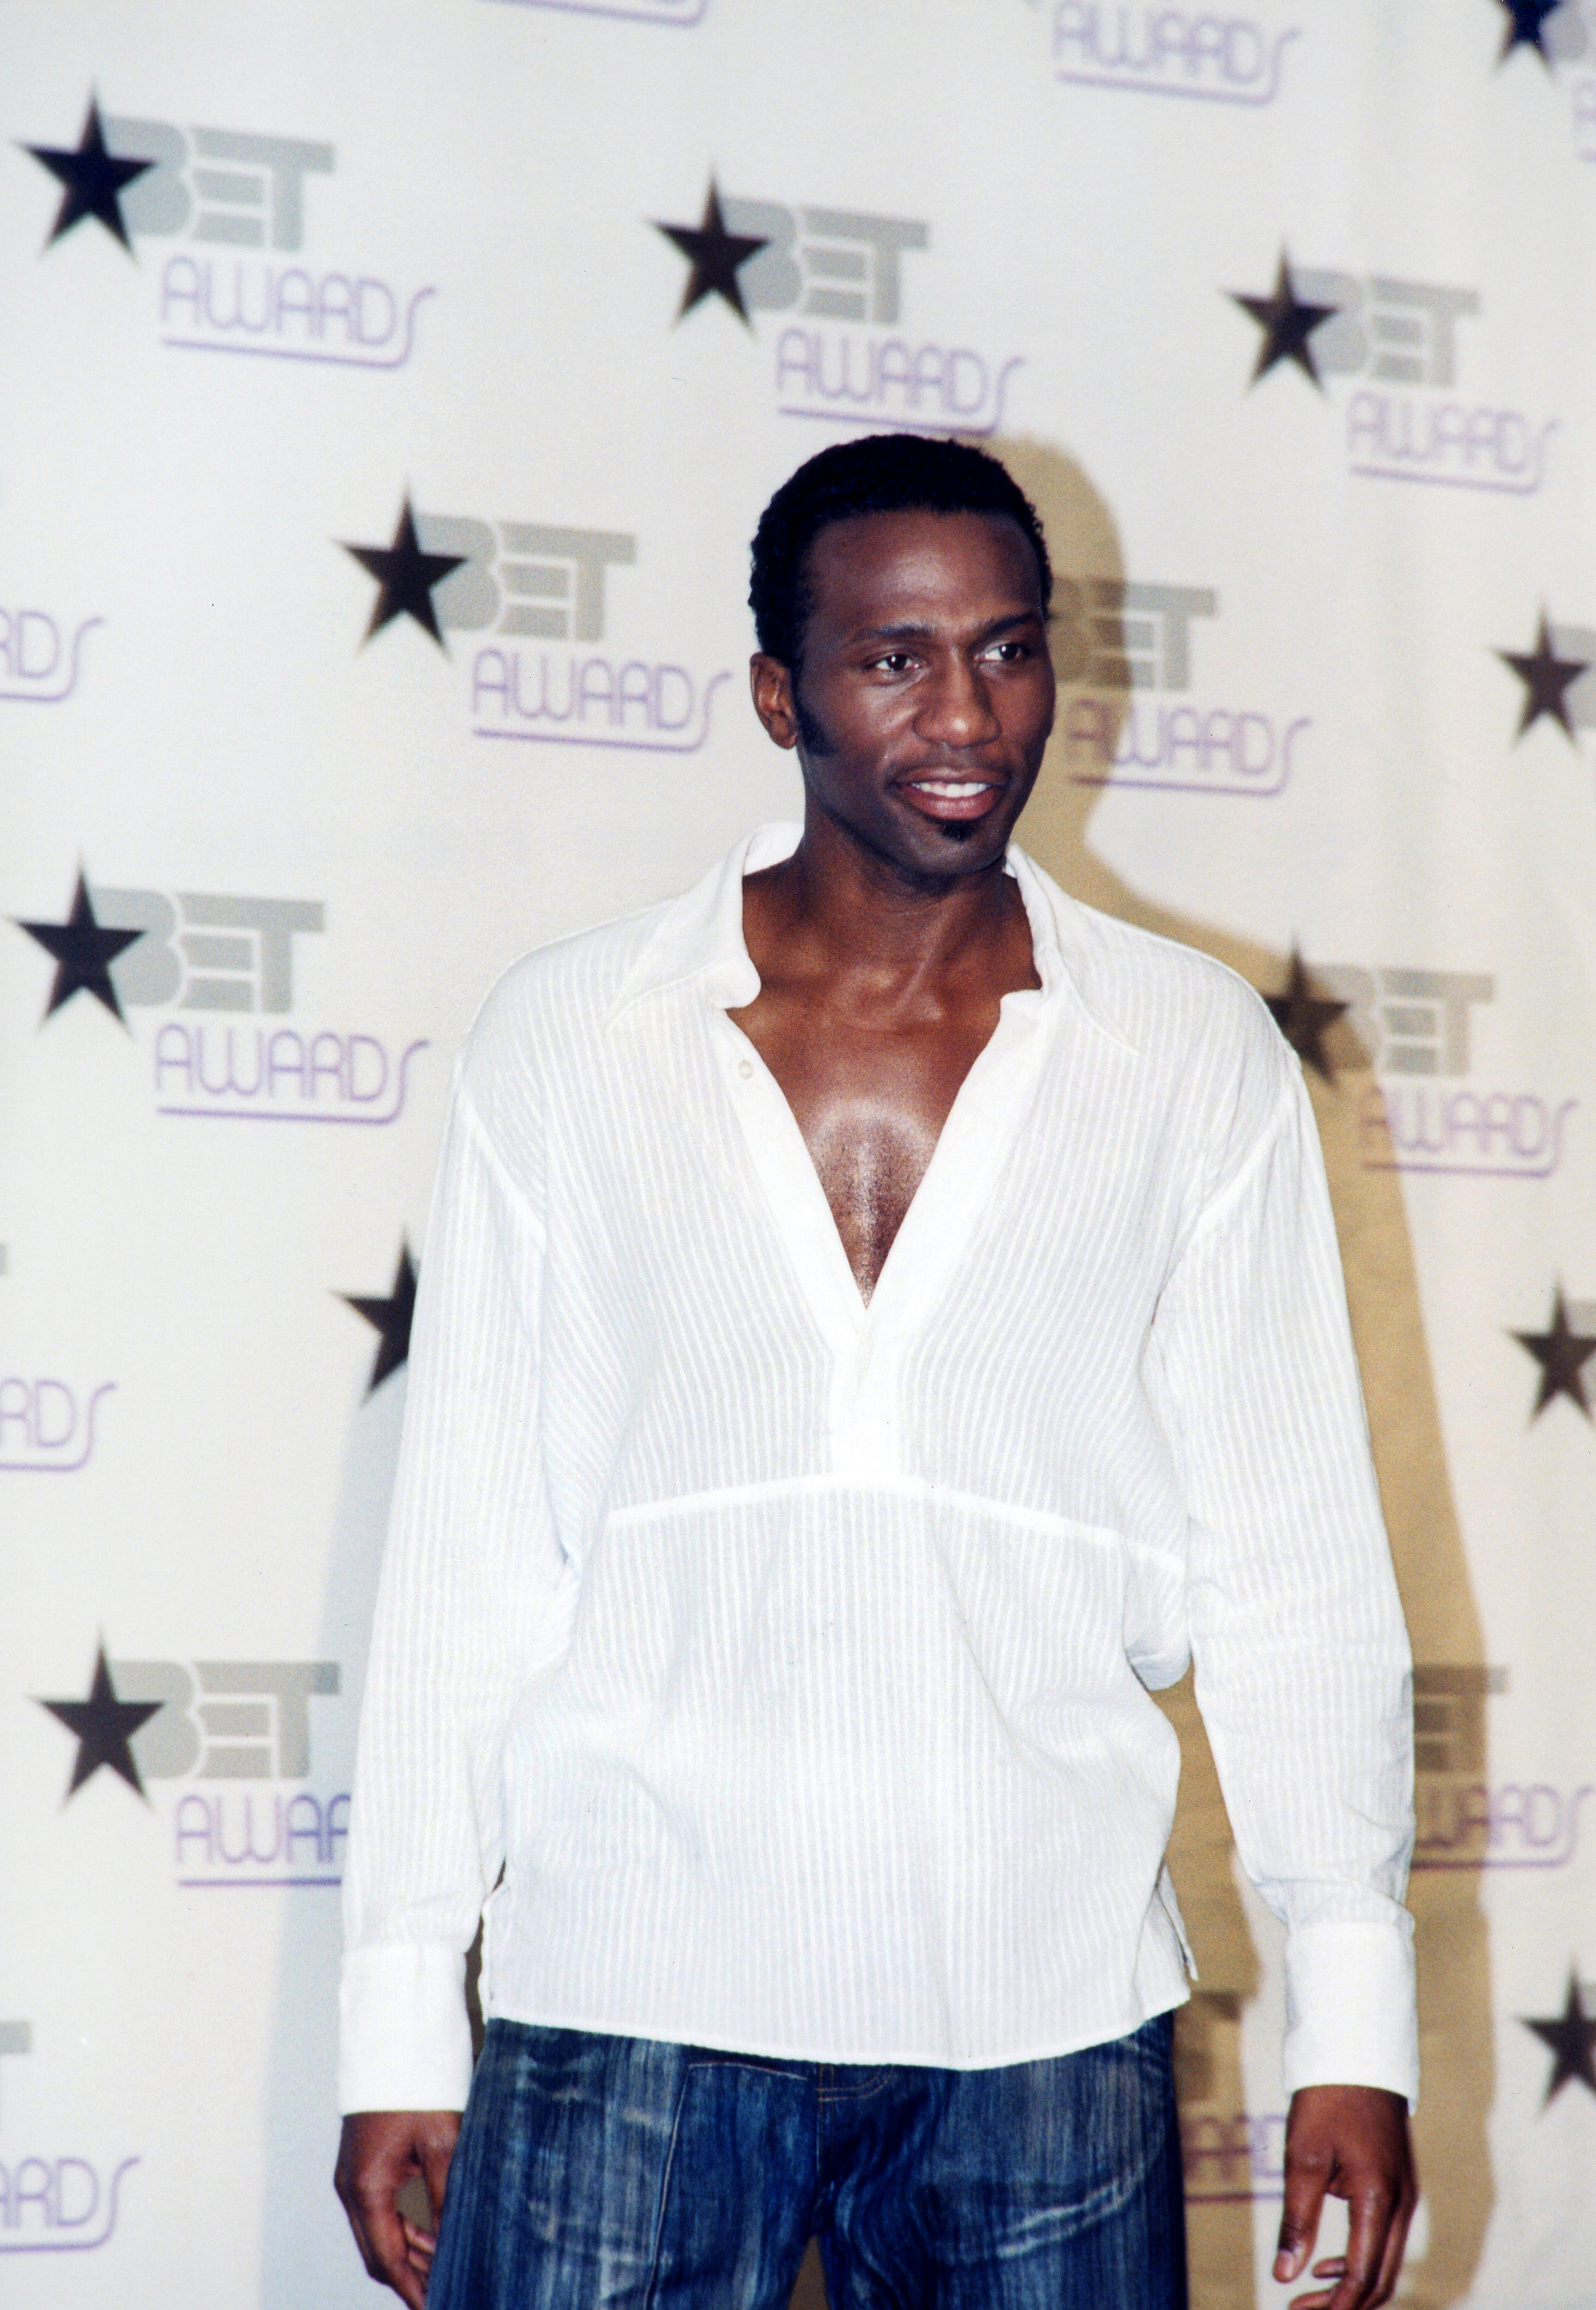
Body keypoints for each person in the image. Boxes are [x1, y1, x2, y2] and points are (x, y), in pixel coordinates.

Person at [335, 434, 1418, 2310]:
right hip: (628, 1998)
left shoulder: (1191, 1054)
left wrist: (1360, 2013)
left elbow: (1294, 1562)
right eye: (895, 657)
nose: (968, 715)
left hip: (1048, 2009)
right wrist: (396, 2027)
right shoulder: (573, 1037)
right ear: (780, 691)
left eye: (1008, 649)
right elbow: (470, 1565)